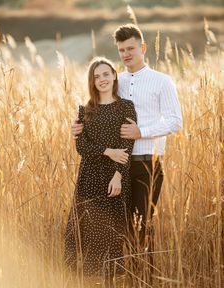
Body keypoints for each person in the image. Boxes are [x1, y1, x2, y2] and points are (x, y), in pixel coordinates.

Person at [72, 24, 182, 284]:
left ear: (142, 48)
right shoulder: (114, 80)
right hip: (113, 169)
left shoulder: (162, 81)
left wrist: (141, 132)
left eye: (131, 48)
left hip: (146, 165)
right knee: (116, 228)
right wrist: (78, 126)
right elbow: (95, 111)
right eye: (121, 50)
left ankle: (145, 280)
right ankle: (121, 279)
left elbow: (176, 122)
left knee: (142, 227)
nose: (126, 54)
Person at [65, 57, 137, 286]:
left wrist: (118, 176)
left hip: (115, 177)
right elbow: (81, 147)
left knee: (111, 231)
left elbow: (128, 146)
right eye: (97, 76)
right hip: (89, 175)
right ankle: (88, 281)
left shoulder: (126, 106)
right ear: (92, 81)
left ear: (115, 75)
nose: (102, 79)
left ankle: (111, 281)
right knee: (86, 228)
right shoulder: (85, 110)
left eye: (106, 74)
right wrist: (108, 151)